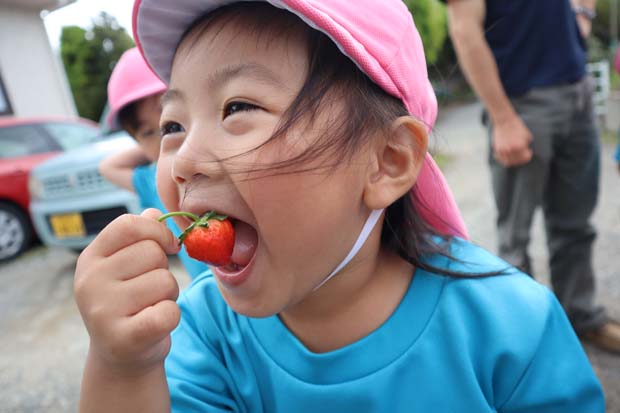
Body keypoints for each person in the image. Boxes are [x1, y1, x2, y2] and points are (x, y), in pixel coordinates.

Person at [73, 1, 605, 411]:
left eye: (238, 106)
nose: (183, 160)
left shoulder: (511, 327)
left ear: (388, 162)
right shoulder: (202, 335)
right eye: (172, 126)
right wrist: (122, 367)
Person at [443, 0, 620, 353]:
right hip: (522, 103)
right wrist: (503, 118)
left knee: (575, 225)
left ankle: (580, 316)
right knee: (515, 237)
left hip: (577, 89)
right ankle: (528, 338)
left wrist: (583, 14)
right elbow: (464, 29)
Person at [99, 47, 209, 279]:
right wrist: (165, 144)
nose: (163, 139)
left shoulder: (219, 162)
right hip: (209, 296)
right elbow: (107, 167)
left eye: (172, 124)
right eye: (149, 132)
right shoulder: (151, 180)